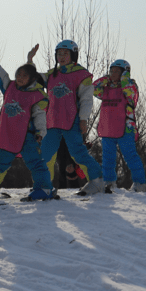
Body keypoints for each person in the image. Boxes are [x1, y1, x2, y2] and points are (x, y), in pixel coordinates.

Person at [34, 41, 105, 195]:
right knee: (44, 154)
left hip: (72, 120)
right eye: (59, 54)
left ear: (73, 54)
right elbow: (33, 79)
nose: (62, 57)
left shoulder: (81, 74)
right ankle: (44, 186)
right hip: (52, 122)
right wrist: (29, 61)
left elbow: (86, 99)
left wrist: (83, 119)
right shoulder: (52, 74)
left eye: (65, 53)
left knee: (78, 153)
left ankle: (97, 180)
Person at [0, 58, 55, 201]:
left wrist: (40, 132)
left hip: (28, 137)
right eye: (18, 74)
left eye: (24, 76)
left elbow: (40, 115)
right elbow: (1, 75)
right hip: (8, 134)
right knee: (0, 162)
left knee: (35, 163)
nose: (20, 78)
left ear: (32, 79)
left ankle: (44, 189)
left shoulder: (38, 95)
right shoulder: (10, 87)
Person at [93, 59, 146, 192]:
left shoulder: (130, 85)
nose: (113, 73)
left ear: (125, 73)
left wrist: (124, 78)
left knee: (130, 155)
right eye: (111, 70)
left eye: (117, 71)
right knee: (107, 157)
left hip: (125, 127)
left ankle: (140, 183)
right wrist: (106, 78)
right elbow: (93, 88)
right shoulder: (106, 88)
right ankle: (109, 182)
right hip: (108, 127)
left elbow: (131, 94)